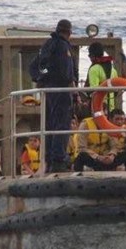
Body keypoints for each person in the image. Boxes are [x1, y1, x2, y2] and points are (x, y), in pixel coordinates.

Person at [36, 19, 78, 173]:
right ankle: (59, 159)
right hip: (61, 90)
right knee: (62, 124)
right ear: (69, 32)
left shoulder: (47, 45)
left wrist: (43, 78)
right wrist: (73, 89)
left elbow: (37, 67)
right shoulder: (63, 46)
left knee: (49, 125)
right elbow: (67, 72)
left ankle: (49, 158)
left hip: (48, 90)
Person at [86, 42, 118, 110]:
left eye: (89, 56)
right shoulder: (113, 70)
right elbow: (116, 91)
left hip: (99, 107)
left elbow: (94, 91)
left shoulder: (94, 69)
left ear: (92, 56)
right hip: (111, 107)